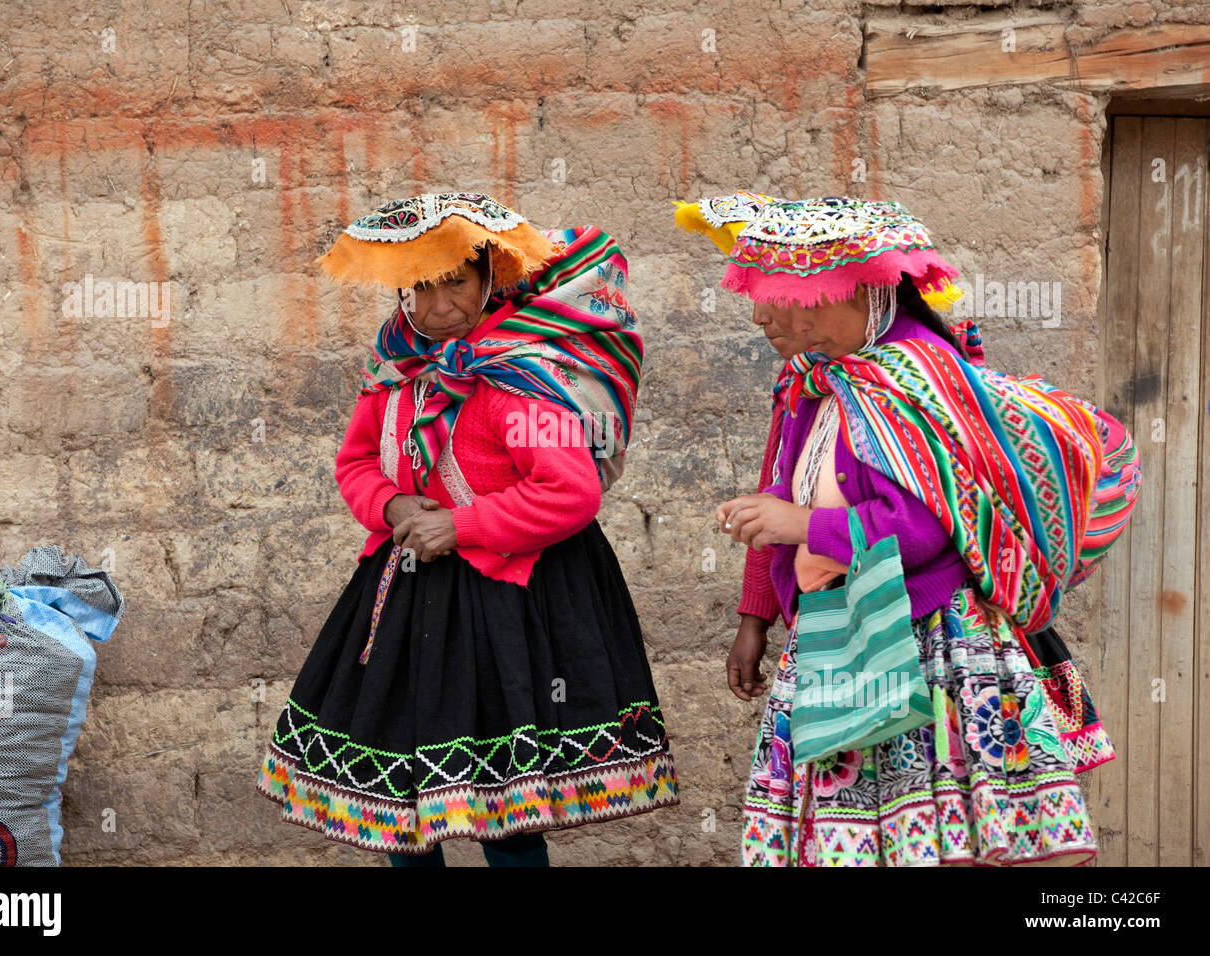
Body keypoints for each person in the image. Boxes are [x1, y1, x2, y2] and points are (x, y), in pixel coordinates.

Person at [675, 194, 1137, 866]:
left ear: (858, 291)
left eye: (784, 296)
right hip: (841, 627)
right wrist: (760, 606)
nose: (761, 314)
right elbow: (786, 477)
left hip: (926, 642)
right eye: (761, 295)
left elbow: (923, 529)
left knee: (937, 836)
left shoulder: (916, 376)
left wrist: (800, 523)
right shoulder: (821, 379)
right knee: (862, 840)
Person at [257, 192, 679, 866]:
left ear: (492, 280)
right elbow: (358, 460)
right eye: (419, 288)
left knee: (504, 809)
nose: (436, 306)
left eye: (454, 283)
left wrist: (461, 524)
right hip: (408, 595)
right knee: (395, 795)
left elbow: (567, 493)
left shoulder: (520, 375)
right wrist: (394, 509)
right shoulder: (397, 367)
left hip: (509, 601)